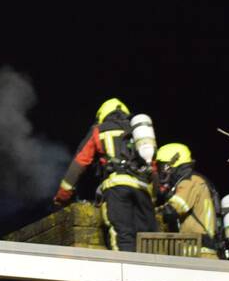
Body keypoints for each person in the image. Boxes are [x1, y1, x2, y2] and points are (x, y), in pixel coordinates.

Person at [52, 98, 157, 252]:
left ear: (102, 115)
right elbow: (153, 167)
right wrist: (152, 198)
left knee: (123, 238)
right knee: (148, 241)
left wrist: (63, 196)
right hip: (143, 190)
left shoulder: (99, 130)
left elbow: (80, 163)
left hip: (117, 188)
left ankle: (126, 274)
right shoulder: (137, 132)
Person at [154, 142, 220, 259]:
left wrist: (149, 215)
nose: (160, 172)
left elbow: (172, 210)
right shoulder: (182, 184)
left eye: (161, 166)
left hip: (201, 253)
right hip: (191, 252)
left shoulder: (192, 181)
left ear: (170, 165)